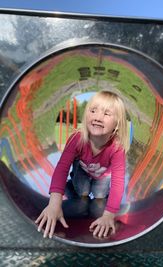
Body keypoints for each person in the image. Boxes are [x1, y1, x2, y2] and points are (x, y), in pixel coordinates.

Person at [35, 90, 129, 239]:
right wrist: (54, 203)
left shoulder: (117, 148)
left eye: (106, 114)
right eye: (93, 111)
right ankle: (69, 186)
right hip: (83, 171)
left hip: (102, 175)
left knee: (99, 198)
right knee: (82, 193)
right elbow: (62, 168)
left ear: (117, 124)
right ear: (86, 115)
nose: (98, 117)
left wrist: (109, 215)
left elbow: (118, 181)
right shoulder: (77, 139)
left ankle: (85, 192)